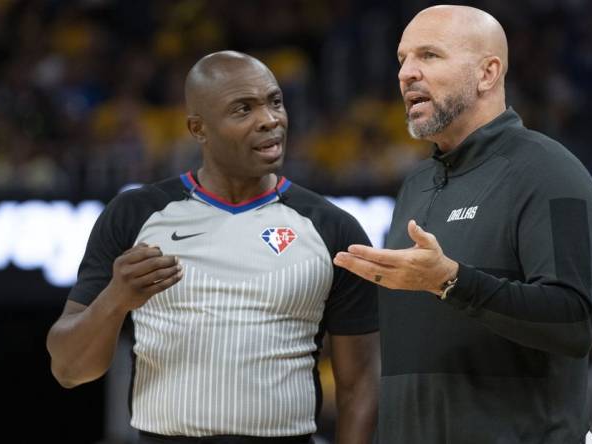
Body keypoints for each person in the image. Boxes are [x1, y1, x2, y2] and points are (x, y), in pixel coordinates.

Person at [47, 51, 379, 444]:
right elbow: (69, 370)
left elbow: (359, 388)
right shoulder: (134, 215)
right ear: (198, 129)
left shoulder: (334, 229)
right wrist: (115, 300)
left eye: (275, 101)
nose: (270, 120)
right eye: (243, 109)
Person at [333, 5, 592, 444]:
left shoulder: (552, 172)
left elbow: (575, 322)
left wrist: (452, 282)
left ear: (487, 73)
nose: (406, 73)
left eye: (429, 55)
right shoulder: (416, 184)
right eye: (402, 60)